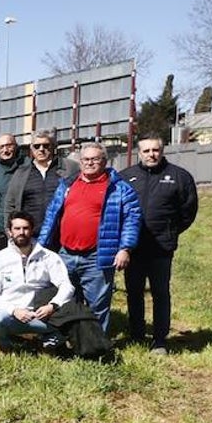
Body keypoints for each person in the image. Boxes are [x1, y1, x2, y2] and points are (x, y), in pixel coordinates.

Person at [38, 142, 142, 334]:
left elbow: (132, 219)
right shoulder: (67, 184)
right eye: (86, 159)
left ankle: (95, 346)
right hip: (65, 254)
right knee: (64, 301)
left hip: (97, 257)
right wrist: (41, 246)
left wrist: (125, 248)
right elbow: (51, 216)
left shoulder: (119, 188)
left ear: (104, 161)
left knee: (97, 306)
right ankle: (68, 339)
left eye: (95, 159)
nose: (89, 163)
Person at [119, 136, 198, 354]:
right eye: (146, 151)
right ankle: (136, 333)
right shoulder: (126, 177)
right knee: (133, 292)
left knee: (160, 293)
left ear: (162, 151)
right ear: (139, 152)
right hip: (133, 248)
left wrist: (170, 232)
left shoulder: (179, 177)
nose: (151, 154)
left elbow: (188, 211)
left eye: (155, 150)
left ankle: (160, 340)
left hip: (161, 248)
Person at [0, 211, 75, 351]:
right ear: (9, 232)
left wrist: (52, 306)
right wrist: (14, 310)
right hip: (10, 314)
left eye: (26, 228)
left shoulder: (48, 257)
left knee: (75, 321)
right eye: (17, 229)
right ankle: (5, 347)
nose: (22, 232)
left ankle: (46, 344)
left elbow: (66, 286)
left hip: (42, 314)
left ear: (32, 230)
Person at [3, 130, 79, 227]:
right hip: (30, 236)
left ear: (54, 146)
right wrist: (10, 230)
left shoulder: (71, 168)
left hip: (61, 234)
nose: (41, 149)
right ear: (31, 148)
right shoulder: (21, 173)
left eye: (46, 145)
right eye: (37, 146)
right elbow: (10, 204)